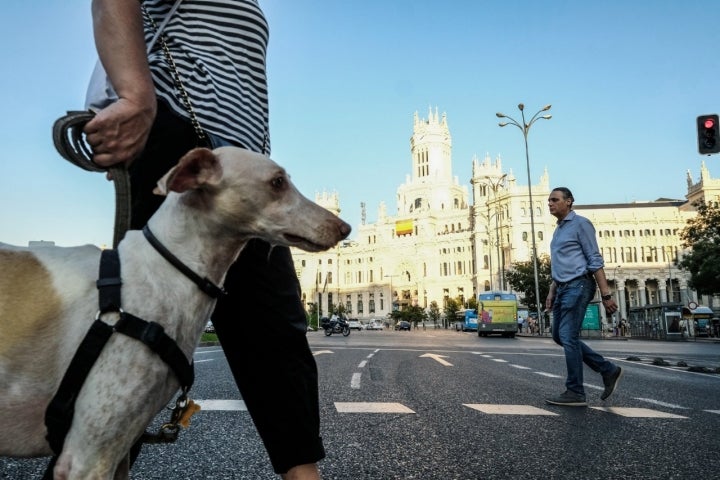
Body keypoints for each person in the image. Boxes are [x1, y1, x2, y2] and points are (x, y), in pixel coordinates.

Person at [83, 1, 324, 478]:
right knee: (143, 334)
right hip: (182, 146)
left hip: (245, 171)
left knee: (276, 331)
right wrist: (135, 96)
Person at [544, 187, 623, 407]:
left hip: (579, 284)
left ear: (568, 202)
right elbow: (561, 264)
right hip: (562, 287)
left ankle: (576, 391)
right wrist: (552, 291)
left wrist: (606, 294)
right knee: (559, 336)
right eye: (548, 200)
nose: (549, 204)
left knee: (568, 336)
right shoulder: (558, 230)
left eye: (554, 200)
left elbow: (594, 259)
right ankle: (608, 370)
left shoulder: (581, 224)